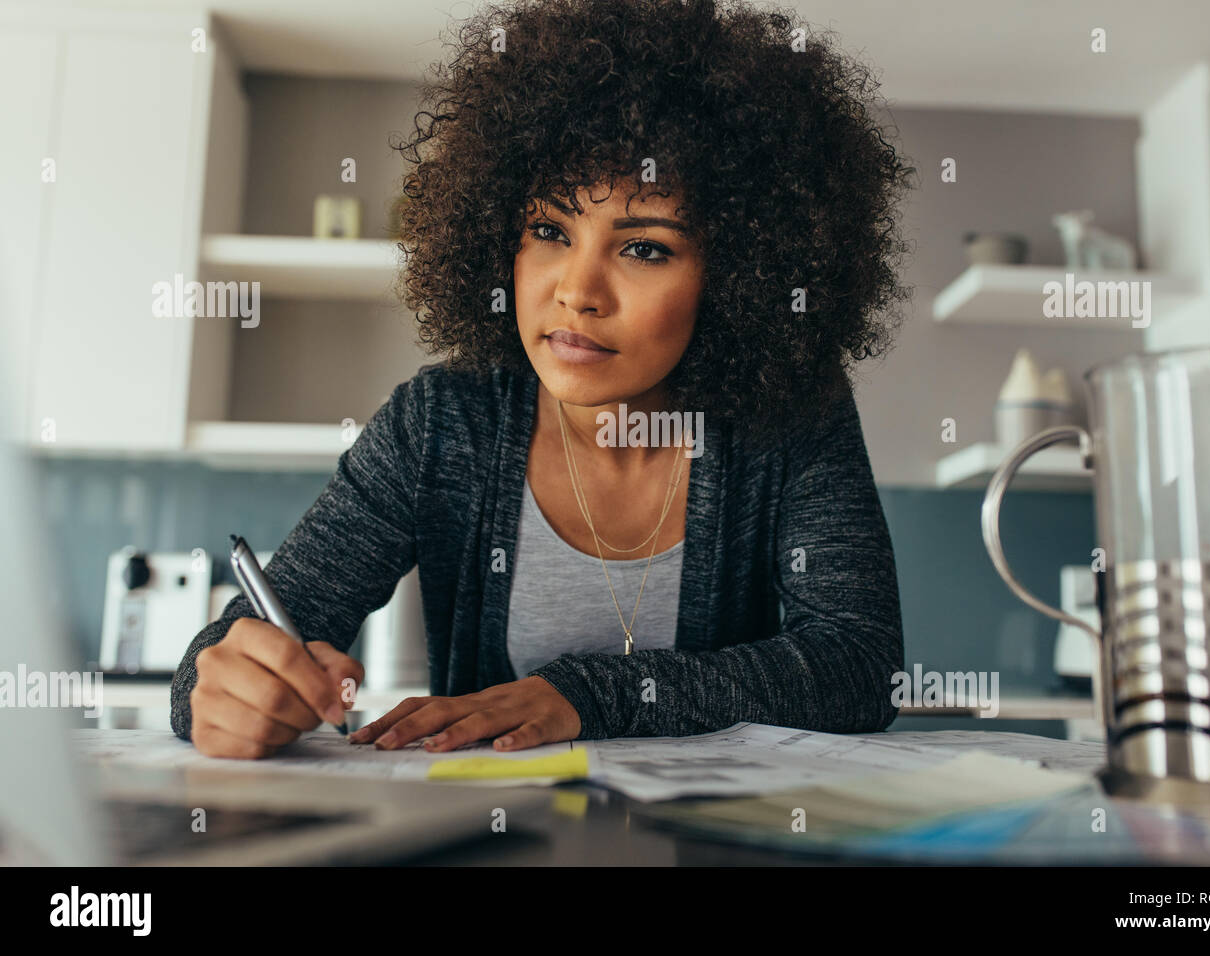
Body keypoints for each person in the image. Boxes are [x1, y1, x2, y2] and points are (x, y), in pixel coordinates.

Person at [170, 0, 914, 758]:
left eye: (645, 249)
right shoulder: (441, 426)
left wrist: (585, 695)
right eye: (550, 232)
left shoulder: (790, 421)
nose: (577, 290)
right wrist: (225, 686)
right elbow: (223, 660)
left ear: (738, 279)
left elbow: (858, 666)